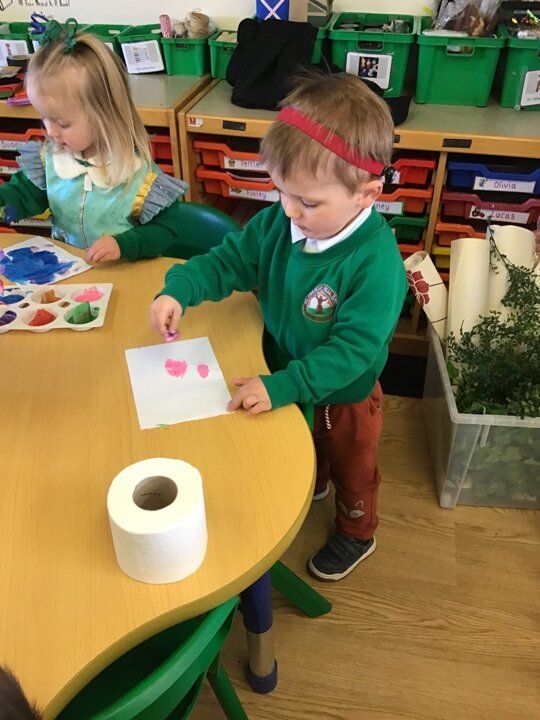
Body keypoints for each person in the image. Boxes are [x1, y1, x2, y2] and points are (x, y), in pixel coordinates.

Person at [150, 72, 407, 581]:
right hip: (285, 373)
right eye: (282, 191)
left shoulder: (376, 263)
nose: (289, 210)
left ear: (367, 194)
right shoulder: (280, 221)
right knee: (305, 446)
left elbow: (352, 352)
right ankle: (315, 478)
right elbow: (228, 261)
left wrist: (285, 386)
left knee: (351, 465)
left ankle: (357, 530)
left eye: (307, 202)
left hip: (346, 396)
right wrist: (179, 287)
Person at [0, 18, 187, 263]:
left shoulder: (140, 178)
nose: (51, 131)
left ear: (105, 117)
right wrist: (4, 203)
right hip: (69, 272)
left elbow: (166, 230)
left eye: (63, 123)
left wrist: (124, 244)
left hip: (125, 274)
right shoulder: (51, 161)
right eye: (44, 118)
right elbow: (22, 195)